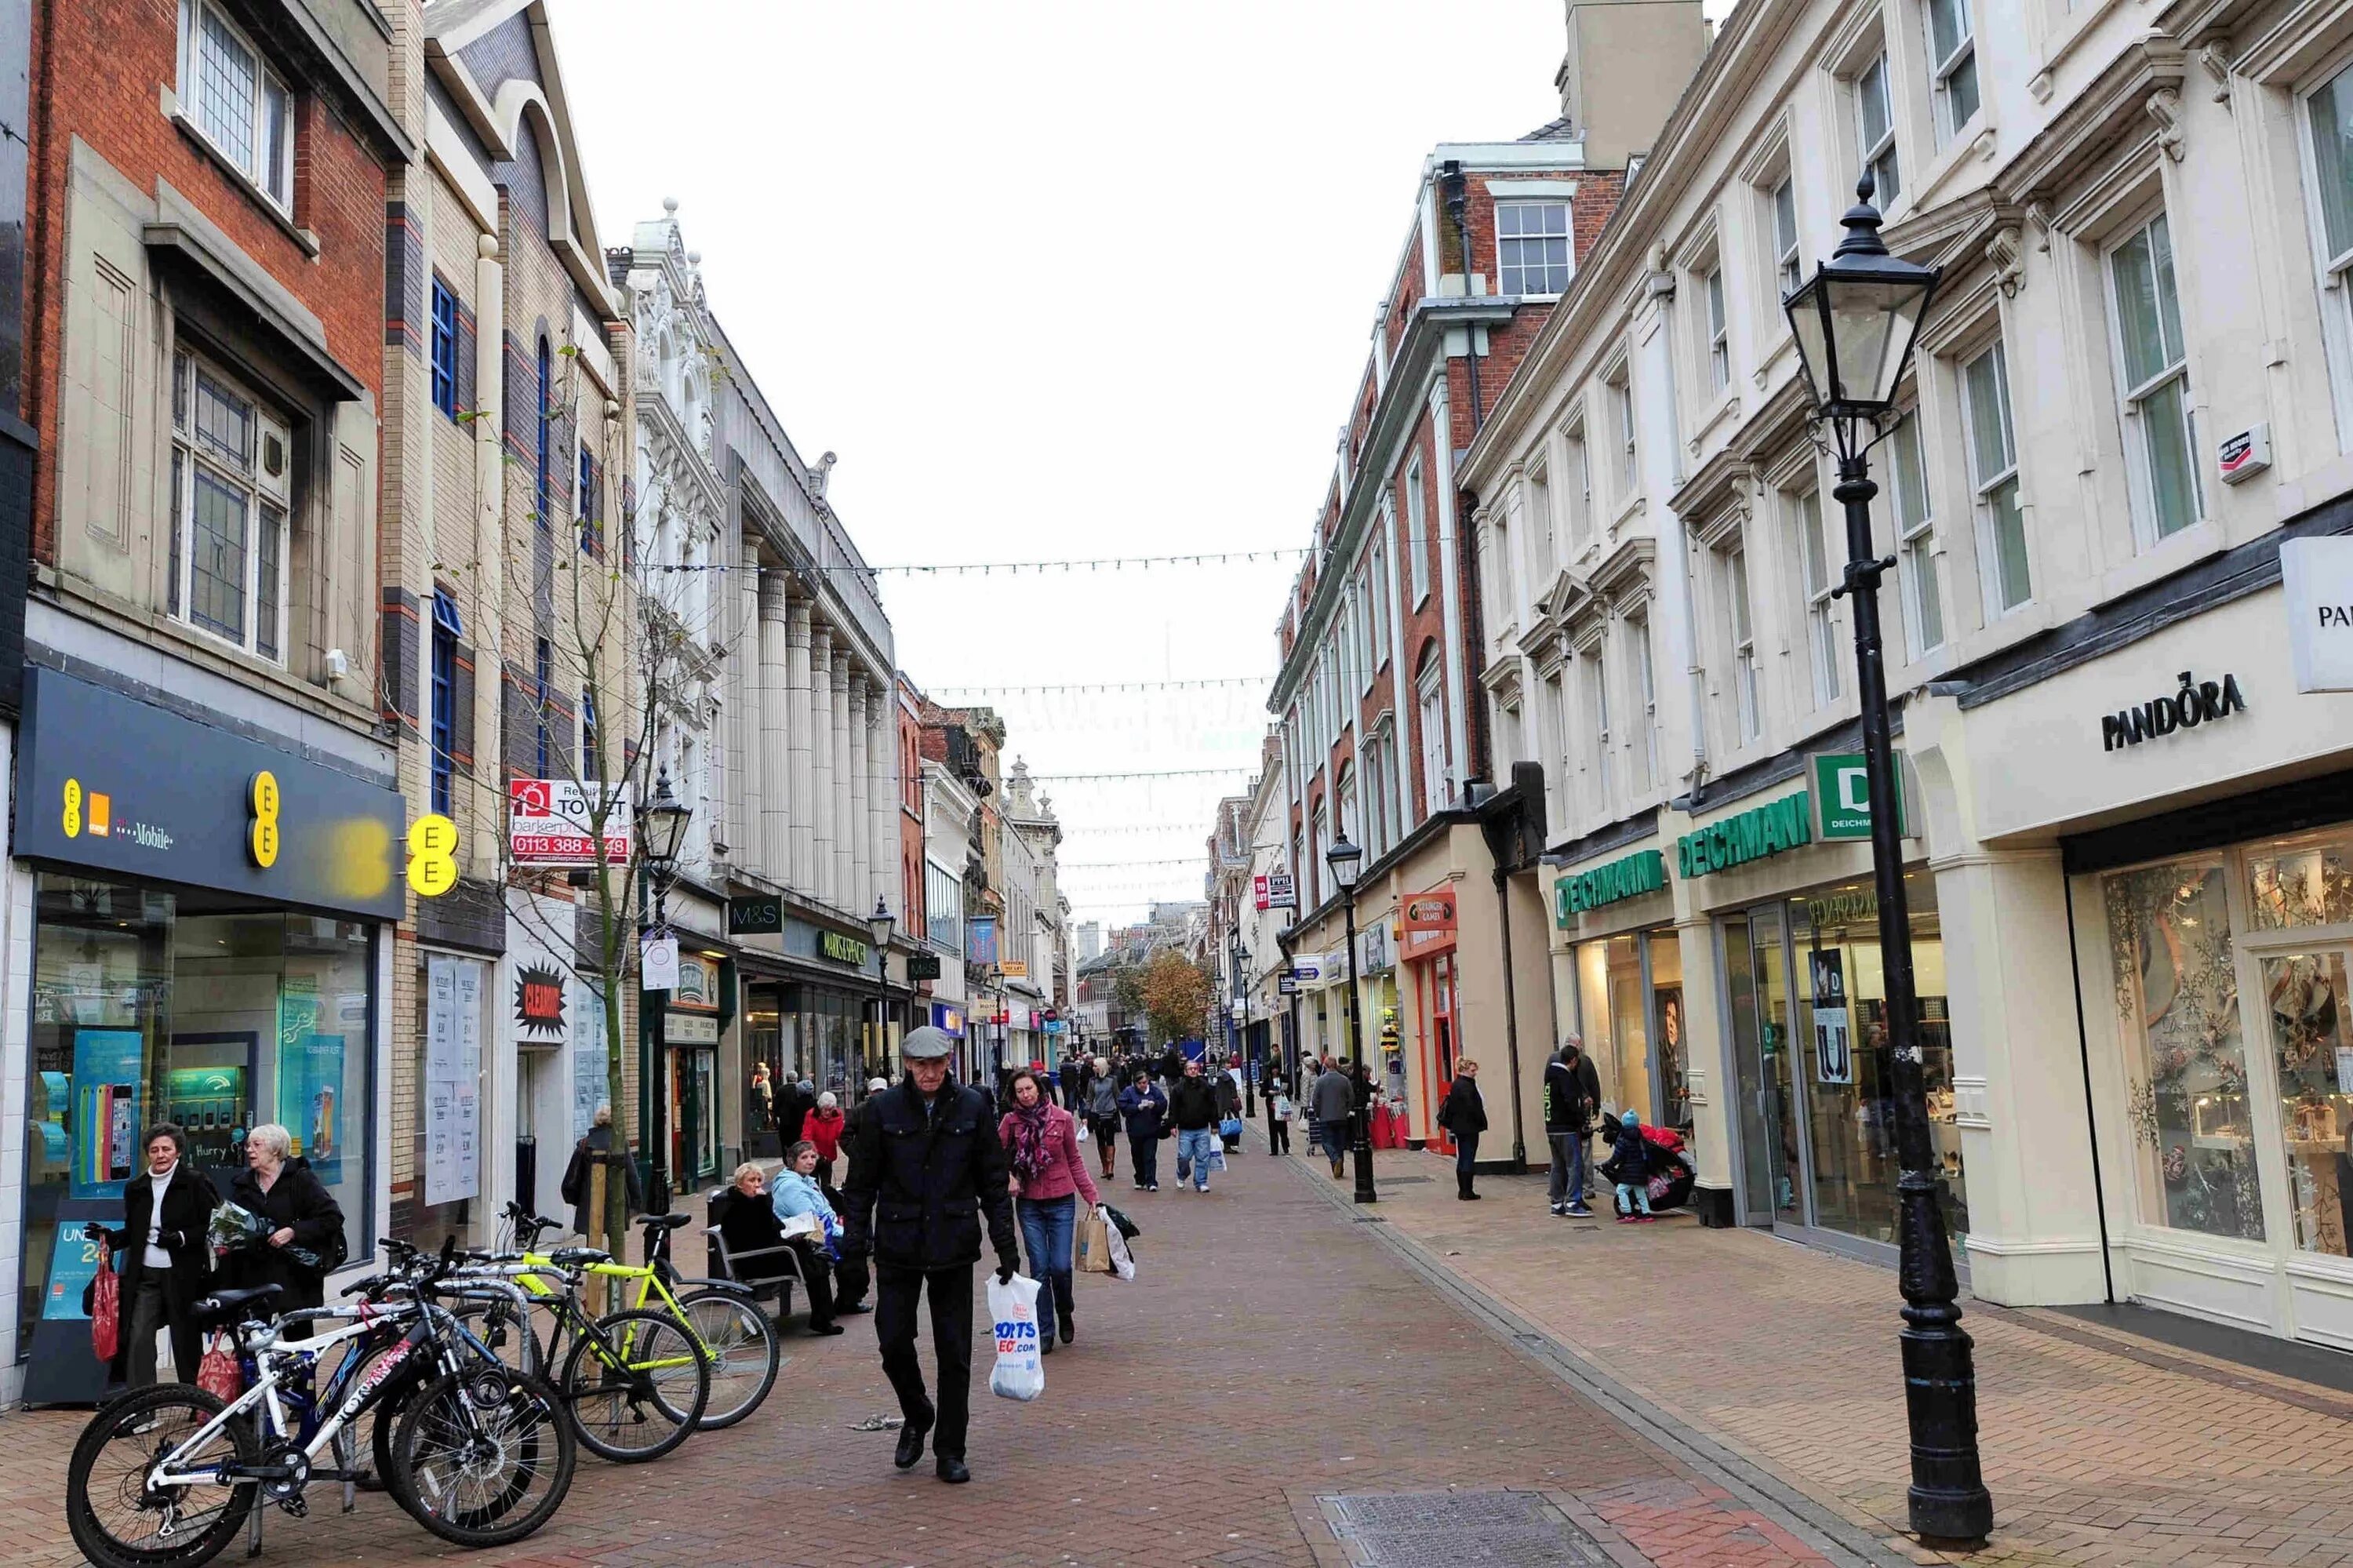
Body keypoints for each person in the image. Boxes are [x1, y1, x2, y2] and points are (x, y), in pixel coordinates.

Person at [838, 1025, 1020, 1485]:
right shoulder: (881, 1111)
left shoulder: (974, 1107)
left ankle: (950, 1449)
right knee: (893, 1342)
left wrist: (1006, 1246)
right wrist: (853, 1253)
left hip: (954, 1244)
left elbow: (993, 1184)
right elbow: (859, 1187)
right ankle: (918, 1413)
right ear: (907, 1065)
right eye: (921, 1065)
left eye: (938, 1064)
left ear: (949, 1063)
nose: (930, 1073)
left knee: (954, 1351)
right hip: (899, 1245)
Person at [89, 1122, 217, 1387]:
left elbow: (214, 1224)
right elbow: (136, 1231)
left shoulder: (194, 1182)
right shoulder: (136, 1188)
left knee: (186, 1340)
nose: (160, 1155)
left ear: (178, 1152)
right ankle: (144, 1406)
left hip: (183, 1274)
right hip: (146, 1274)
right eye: (154, 1150)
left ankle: (198, 1401)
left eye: (166, 1149)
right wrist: (112, 1238)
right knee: (138, 1338)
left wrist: (180, 1237)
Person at [998, 1068, 1101, 1355]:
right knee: (1039, 1268)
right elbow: (994, 1158)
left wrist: (1091, 1195)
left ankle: (1064, 1310)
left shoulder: (1062, 1118)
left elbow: (1074, 1160)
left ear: (1039, 1090)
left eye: (1029, 1089)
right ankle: (1045, 1330)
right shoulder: (1010, 1122)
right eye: (1019, 1091)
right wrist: (1008, 1176)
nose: (1025, 1095)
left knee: (1060, 1266)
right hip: (1029, 1202)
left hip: (1061, 1200)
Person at [223, 1122, 345, 1337]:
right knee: (255, 1347)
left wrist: (294, 1231)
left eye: (256, 1145)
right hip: (255, 1279)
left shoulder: (300, 1179)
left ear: (276, 1150)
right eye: (248, 1145)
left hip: (295, 1278)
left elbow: (332, 1217)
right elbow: (232, 1228)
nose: (249, 1149)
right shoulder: (243, 1186)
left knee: (298, 1348)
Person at [770, 1142, 853, 1333]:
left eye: (813, 1157)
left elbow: (825, 1212)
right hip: (805, 1238)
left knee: (855, 1243)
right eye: (804, 1157)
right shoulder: (791, 1187)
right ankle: (841, 1305)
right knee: (847, 1248)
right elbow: (813, 1221)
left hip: (812, 1235)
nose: (810, 1162)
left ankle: (845, 1301)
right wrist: (843, 1233)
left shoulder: (806, 1180)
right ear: (793, 1161)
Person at [562, 1102, 644, 1245]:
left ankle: (592, 1264)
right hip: (616, 1200)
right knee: (616, 1238)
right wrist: (636, 1201)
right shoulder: (619, 1144)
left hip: (589, 1199)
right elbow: (631, 1174)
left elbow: (573, 1175)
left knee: (591, 1242)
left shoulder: (584, 1143)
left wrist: (576, 1199)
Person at [1544, 1038, 1602, 1217]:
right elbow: (1570, 1103)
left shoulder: (1550, 1076)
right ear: (1574, 1060)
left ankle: (1557, 1202)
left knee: (1557, 1165)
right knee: (1574, 1164)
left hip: (1552, 1127)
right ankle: (1573, 1202)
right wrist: (1581, 1118)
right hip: (1566, 1129)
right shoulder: (1565, 1078)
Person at [1167, 1057, 1223, 1193]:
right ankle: (1182, 1174)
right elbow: (1173, 1108)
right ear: (1185, 1072)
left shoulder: (1206, 1087)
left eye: (1195, 1068)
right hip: (1185, 1129)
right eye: (1190, 1069)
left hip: (1202, 1128)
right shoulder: (1178, 1089)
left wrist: (1215, 1125)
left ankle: (1201, 1182)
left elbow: (1212, 1106)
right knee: (1184, 1156)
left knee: (1203, 1157)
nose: (1193, 1071)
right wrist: (1172, 1125)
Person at [1437, 1060, 1489, 1200]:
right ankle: (1467, 1190)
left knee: (1463, 1157)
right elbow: (1472, 1106)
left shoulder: (1456, 1084)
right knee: (1468, 1157)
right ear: (1464, 1070)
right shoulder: (1466, 1086)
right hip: (1469, 1127)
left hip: (1460, 1126)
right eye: (1472, 1071)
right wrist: (1480, 1120)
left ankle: (1463, 1190)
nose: (1475, 1073)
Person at [1600, 1109, 1657, 1223]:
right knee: (1640, 1193)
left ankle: (1627, 1213)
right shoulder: (1641, 1138)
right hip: (1641, 1171)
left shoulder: (1623, 1139)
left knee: (1621, 1190)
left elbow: (1617, 1157)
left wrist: (1607, 1165)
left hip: (1628, 1172)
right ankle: (1646, 1214)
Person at [1118, 1070, 1168, 1191]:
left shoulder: (1155, 1091)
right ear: (1135, 1083)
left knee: (1150, 1156)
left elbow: (1163, 1105)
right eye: (1140, 1083)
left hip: (1151, 1130)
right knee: (1137, 1156)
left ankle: (1151, 1181)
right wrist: (1136, 1107)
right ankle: (1140, 1179)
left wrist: (1155, 1105)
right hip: (1135, 1131)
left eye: (1145, 1082)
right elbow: (1123, 1107)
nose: (1143, 1085)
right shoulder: (1128, 1092)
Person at [1310, 1057, 1354, 1180]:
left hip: (1325, 1117)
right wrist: (1347, 1110)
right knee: (1340, 1143)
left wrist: (1318, 1113)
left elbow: (1315, 1100)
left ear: (1325, 1066)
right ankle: (1339, 1170)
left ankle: (1335, 1160)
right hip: (1341, 1116)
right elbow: (1351, 1097)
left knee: (1327, 1142)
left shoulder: (1320, 1081)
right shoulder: (1344, 1080)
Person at [1084, 1058, 1122, 1181]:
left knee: (1110, 1140)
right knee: (1100, 1141)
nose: (1093, 1068)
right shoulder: (1092, 1081)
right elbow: (1089, 1099)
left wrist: (1122, 1110)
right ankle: (1104, 1166)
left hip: (1110, 1113)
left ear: (1102, 1067)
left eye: (1095, 1066)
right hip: (1096, 1114)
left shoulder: (1112, 1080)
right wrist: (1085, 1115)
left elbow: (1117, 1096)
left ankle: (1110, 1166)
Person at [801, 1091, 848, 1188]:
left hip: (828, 1155)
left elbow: (841, 1135)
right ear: (820, 1108)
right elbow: (807, 1136)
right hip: (813, 1155)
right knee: (813, 1184)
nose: (827, 1112)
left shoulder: (837, 1116)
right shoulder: (811, 1115)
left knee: (827, 1185)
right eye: (825, 1110)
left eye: (830, 1110)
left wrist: (848, 1148)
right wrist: (815, 1153)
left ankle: (826, 1201)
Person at [1213, 1058, 1243, 1153]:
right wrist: (1226, 1108)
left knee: (1230, 1125)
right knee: (1229, 1126)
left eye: (1230, 1063)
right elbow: (1222, 1094)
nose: (1229, 1065)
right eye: (1227, 1063)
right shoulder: (1223, 1077)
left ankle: (1228, 1145)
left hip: (1230, 1104)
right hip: (1228, 1106)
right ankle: (1227, 1146)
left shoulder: (1225, 1076)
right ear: (1223, 1065)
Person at [1267, 1075, 1293, 1155]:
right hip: (1272, 1107)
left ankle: (1286, 1148)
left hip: (1281, 1106)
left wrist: (1283, 1091)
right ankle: (1274, 1150)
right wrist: (1270, 1092)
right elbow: (1262, 1093)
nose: (1275, 1071)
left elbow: (1290, 1090)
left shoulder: (1283, 1078)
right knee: (1273, 1129)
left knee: (1283, 1129)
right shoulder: (1268, 1080)